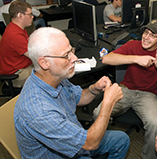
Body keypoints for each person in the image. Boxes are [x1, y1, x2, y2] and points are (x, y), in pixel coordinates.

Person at [14, 27, 130, 158]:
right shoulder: (39, 111)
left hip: (73, 137)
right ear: (44, 63)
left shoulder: (54, 77)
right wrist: (108, 103)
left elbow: (79, 97)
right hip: (59, 154)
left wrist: (94, 88)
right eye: (66, 56)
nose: (74, 58)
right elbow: (90, 143)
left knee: (121, 140)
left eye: (71, 51)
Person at [93, 19, 157, 159]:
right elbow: (106, 59)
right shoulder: (133, 45)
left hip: (148, 95)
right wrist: (136, 59)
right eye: (146, 32)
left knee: (155, 123)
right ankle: (99, 147)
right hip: (125, 89)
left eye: (152, 35)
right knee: (97, 113)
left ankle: (149, 157)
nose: (146, 37)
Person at [0, 0, 34, 88]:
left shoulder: (17, 28)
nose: (32, 17)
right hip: (17, 75)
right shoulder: (15, 35)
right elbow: (35, 56)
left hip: (23, 67)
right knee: (50, 73)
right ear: (20, 15)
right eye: (29, 14)